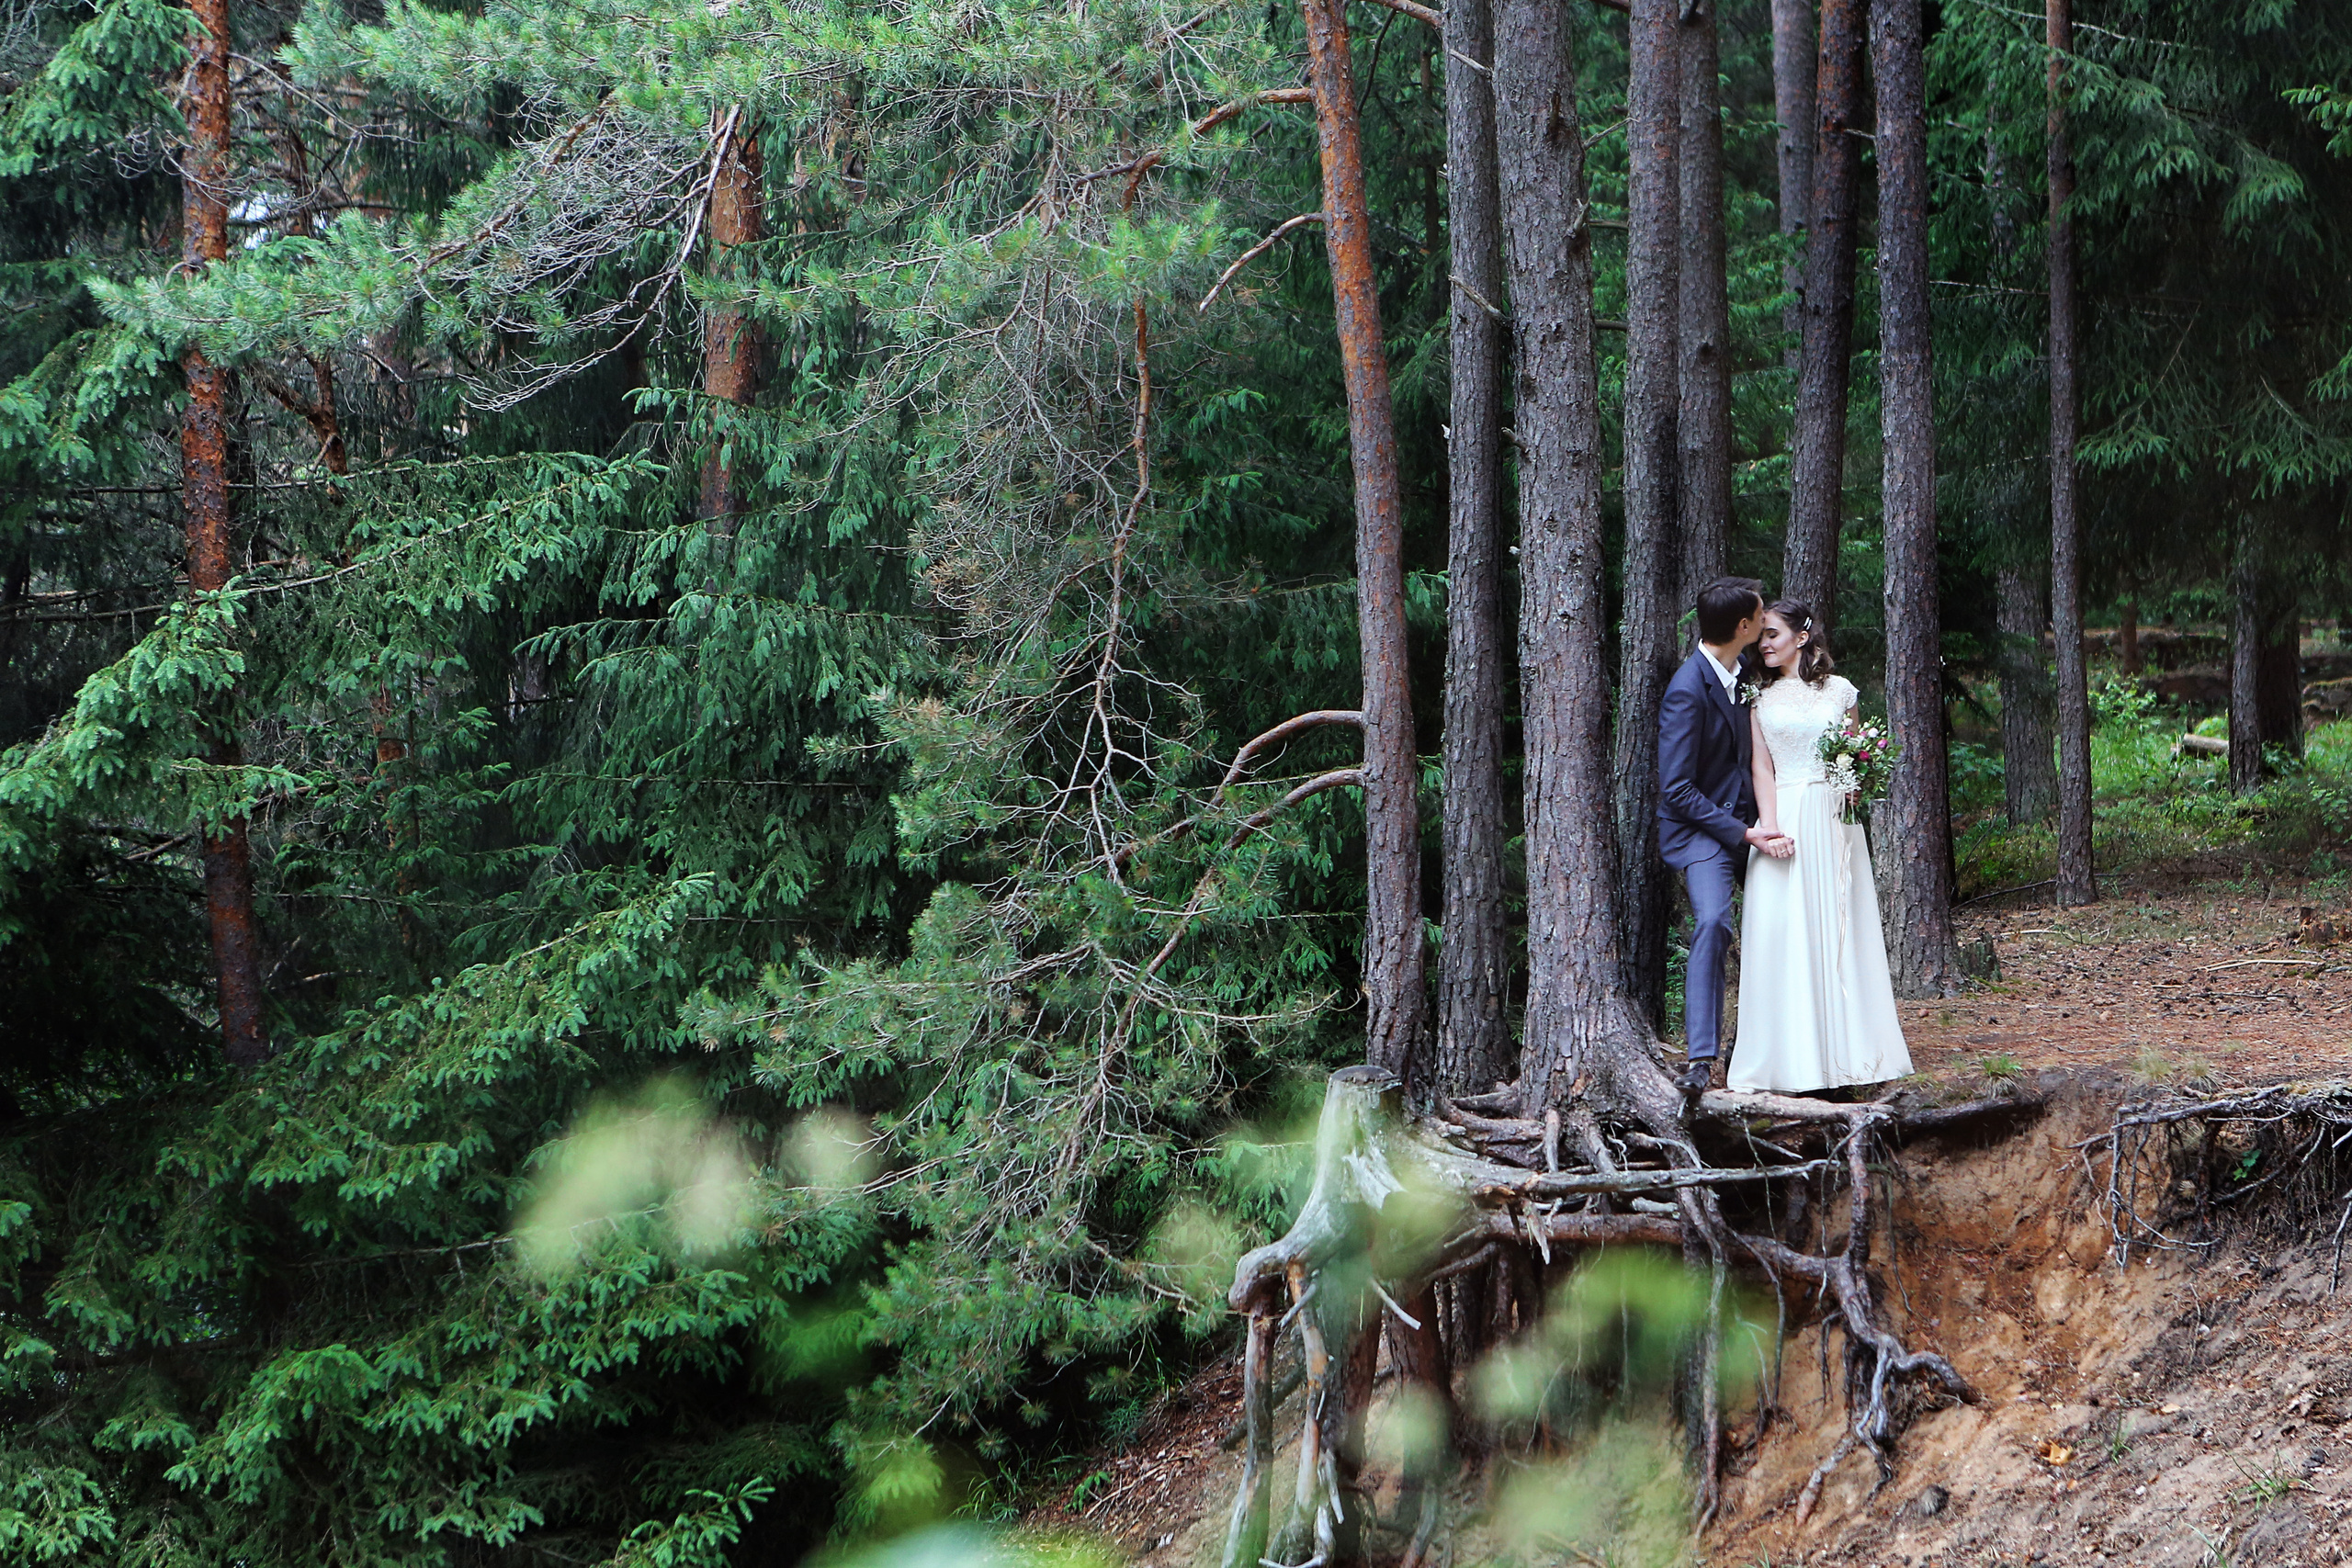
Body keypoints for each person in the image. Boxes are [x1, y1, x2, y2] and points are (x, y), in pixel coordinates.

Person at [1728, 600, 1913, 1095]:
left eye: (1772, 634)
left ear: (1802, 637)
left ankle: (1850, 1055)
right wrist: (1769, 828)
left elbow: (1853, 751)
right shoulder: (1760, 697)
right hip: (1785, 814)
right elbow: (1761, 766)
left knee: (1840, 925)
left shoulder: (1841, 691)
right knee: (1784, 930)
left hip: (1833, 819)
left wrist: (1854, 784)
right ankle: (1789, 1060)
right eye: (1761, 636)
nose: (1764, 643)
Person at [1657, 578, 1792, 1104]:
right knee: (1713, 922)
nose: (1765, 622)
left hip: (1754, 822)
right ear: (1742, 627)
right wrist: (1742, 832)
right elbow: (1675, 790)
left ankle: (1775, 1044)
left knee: (1787, 916)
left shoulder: (1749, 673)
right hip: (1705, 833)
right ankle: (1700, 1060)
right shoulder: (1687, 689)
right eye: (1759, 617)